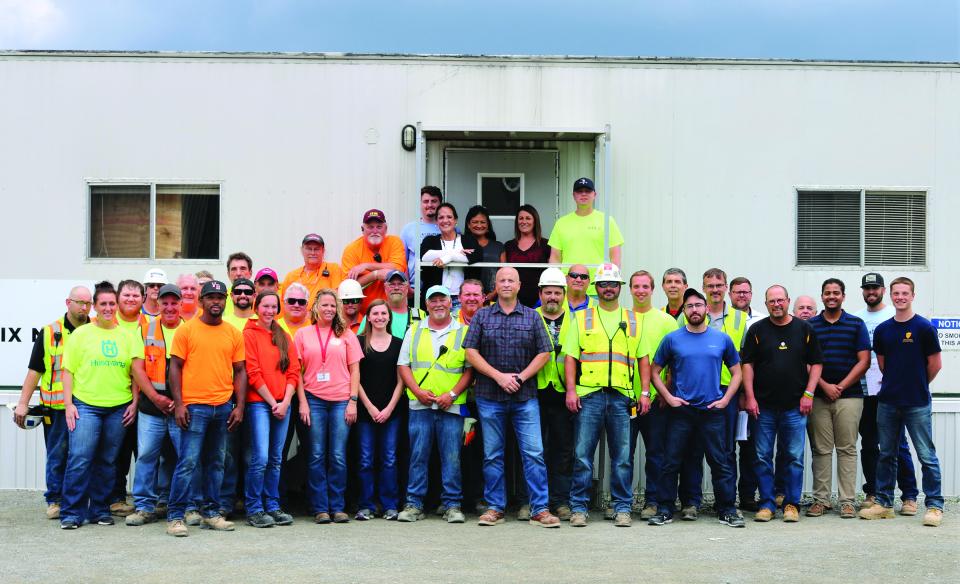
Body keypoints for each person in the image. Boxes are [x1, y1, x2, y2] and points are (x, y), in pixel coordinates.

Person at [464, 268, 559, 528]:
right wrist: (499, 376)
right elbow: (470, 352)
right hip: (489, 396)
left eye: (510, 280)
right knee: (493, 454)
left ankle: (539, 509)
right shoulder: (482, 316)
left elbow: (544, 353)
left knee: (534, 454)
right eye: (501, 280)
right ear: (495, 285)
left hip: (524, 396)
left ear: (519, 285)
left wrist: (520, 378)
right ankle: (495, 507)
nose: (506, 284)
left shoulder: (532, 317)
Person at [647, 288, 744, 528]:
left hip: (712, 412)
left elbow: (737, 372)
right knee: (671, 462)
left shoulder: (721, 339)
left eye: (698, 305)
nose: (694, 310)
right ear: (684, 311)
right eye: (689, 306)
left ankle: (727, 510)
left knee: (720, 463)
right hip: (681, 412)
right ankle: (665, 509)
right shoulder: (673, 339)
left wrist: (725, 399)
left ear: (706, 309)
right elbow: (654, 371)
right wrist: (668, 397)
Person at [58, 282, 151, 529]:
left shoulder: (128, 336)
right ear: (94, 307)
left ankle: (99, 509)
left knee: (108, 461)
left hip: (118, 407)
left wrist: (134, 402)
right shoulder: (81, 334)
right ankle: (71, 512)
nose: (108, 308)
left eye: (112, 303)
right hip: (86, 405)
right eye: (103, 304)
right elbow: (68, 372)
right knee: (80, 458)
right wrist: (68, 404)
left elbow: (135, 372)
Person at [562, 264, 643, 528]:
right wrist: (571, 391)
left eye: (613, 284)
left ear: (619, 288)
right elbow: (571, 358)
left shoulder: (632, 319)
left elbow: (643, 359)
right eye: (603, 284)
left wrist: (643, 393)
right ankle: (578, 508)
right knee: (582, 455)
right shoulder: (583, 317)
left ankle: (622, 508)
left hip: (621, 396)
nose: (608, 288)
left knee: (622, 457)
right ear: (596, 288)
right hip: (589, 396)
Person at [859, 277, 944, 527]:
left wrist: (916, 383)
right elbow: (883, 364)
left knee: (926, 455)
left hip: (917, 402)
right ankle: (884, 503)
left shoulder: (924, 328)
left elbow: (935, 365)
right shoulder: (885, 329)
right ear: (891, 295)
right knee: (887, 454)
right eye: (896, 293)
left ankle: (935, 506)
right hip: (888, 402)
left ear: (912, 296)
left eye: (905, 293)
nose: (900, 297)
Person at [165, 280, 246, 537]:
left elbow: (241, 371)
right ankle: (175, 516)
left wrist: (239, 406)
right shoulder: (187, 331)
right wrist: (179, 404)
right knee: (187, 462)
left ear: (226, 301)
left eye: (220, 297)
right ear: (201, 301)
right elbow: (174, 368)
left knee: (216, 463)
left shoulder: (233, 333)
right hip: (194, 407)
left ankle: (211, 512)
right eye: (210, 297)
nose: (216, 302)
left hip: (223, 407)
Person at [741, 285, 823, 523]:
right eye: (771, 301)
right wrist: (750, 396)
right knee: (762, 456)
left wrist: (809, 393)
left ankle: (791, 504)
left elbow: (816, 363)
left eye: (780, 300)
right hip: (763, 407)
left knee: (794, 457)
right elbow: (748, 365)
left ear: (788, 301)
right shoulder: (756, 330)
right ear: (765, 304)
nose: (776, 305)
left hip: (795, 408)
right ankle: (767, 504)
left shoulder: (804, 329)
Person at [14, 285, 92, 520]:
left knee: (85, 456)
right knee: (57, 455)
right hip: (56, 408)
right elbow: (34, 371)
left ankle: (81, 500)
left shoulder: (96, 329)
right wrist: (22, 403)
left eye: (88, 303)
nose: (84, 307)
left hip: (87, 406)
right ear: (68, 303)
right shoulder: (49, 332)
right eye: (80, 302)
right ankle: (55, 500)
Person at [397, 286, 473, 523]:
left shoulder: (464, 331)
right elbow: (403, 365)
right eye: (433, 300)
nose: (438, 304)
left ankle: (452, 505)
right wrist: (417, 391)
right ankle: (413, 504)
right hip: (420, 406)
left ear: (451, 303)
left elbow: (470, 371)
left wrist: (451, 394)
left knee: (452, 457)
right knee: (418, 456)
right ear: (427, 304)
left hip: (451, 407)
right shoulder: (414, 330)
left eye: (443, 299)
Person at [678, 268, 747, 519]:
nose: (715, 289)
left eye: (719, 285)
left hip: (726, 395)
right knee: (691, 451)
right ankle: (691, 503)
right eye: (710, 285)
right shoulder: (686, 316)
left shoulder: (740, 319)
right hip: (694, 395)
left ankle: (725, 504)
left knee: (725, 453)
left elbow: (745, 363)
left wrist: (741, 394)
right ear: (704, 288)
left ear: (726, 287)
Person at [294, 288, 363, 524]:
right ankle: (320, 507)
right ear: (315, 307)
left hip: (341, 400)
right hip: (313, 399)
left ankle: (338, 506)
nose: (329, 309)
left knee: (338, 455)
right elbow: (297, 373)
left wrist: (353, 401)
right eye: (324, 305)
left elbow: (355, 369)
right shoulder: (303, 334)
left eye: (333, 305)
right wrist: (302, 402)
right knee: (315, 454)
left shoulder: (346, 334)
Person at [854, 272, 918, 513]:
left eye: (876, 288)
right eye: (867, 289)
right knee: (869, 444)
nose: (871, 292)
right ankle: (873, 491)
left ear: (883, 291)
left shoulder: (895, 316)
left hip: (891, 391)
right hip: (864, 391)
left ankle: (909, 495)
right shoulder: (857, 319)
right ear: (863, 291)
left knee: (898, 445)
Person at [806, 278, 870, 518]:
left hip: (850, 397)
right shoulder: (810, 326)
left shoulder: (855, 324)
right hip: (819, 397)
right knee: (821, 449)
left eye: (836, 293)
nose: (831, 296)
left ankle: (847, 501)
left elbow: (864, 361)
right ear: (821, 296)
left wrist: (840, 387)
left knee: (847, 448)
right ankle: (821, 500)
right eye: (827, 293)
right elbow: (806, 362)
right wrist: (824, 386)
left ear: (843, 296)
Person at [126, 283, 185, 527]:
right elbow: (137, 369)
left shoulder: (191, 330)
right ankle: (144, 506)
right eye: (165, 302)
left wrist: (180, 402)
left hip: (182, 408)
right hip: (152, 407)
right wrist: (155, 397)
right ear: (157, 303)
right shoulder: (145, 330)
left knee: (184, 458)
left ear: (182, 304)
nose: (169, 307)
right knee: (147, 456)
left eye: (174, 302)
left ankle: (180, 505)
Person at [243, 291, 300, 528]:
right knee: (261, 458)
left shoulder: (284, 336)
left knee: (276, 459)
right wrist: (272, 402)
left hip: (282, 404)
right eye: (265, 306)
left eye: (273, 306)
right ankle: (254, 508)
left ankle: (272, 505)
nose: (269, 310)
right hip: (260, 404)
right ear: (257, 308)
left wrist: (286, 401)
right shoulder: (249, 334)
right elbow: (252, 372)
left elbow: (294, 371)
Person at [627, 270, 680, 520]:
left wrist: (666, 389)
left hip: (657, 399)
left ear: (652, 289)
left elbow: (674, 361)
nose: (640, 291)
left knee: (656, 453)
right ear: (630, 290)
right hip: (625, 398)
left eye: (645, 287)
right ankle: (622, 502)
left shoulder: (666, 321)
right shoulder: (622, 318)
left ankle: (653, 501)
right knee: (623, 454)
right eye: (636, 286)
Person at [355, 300, 404, 521]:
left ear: (389, 317)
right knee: (365, 459)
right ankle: (366, 504)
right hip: (366, 410)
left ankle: (390, 505)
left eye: (384, 313)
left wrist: (389, 407)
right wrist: (370, 406)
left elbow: (401, 380)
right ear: (368, 317)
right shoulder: (359, 342)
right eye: (375, 313)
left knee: (389, 459)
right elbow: (354, 378)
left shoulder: (398, 343)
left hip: (391, 410)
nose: (380, 317)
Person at [533, 268, 574, 519]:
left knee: (563, 450)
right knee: (533, 450)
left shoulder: (576, 320)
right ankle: (533, 500)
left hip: (563, 395)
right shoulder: (529, 317)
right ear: (540, 293)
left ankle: (560, 501)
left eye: (557, 293)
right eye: (548, 292)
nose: (552, 297)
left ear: (564, 294)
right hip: (533, 393)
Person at [548, 177, 624, 295]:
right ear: (573, 195)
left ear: (594, 194)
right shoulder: (561, 223)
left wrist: (609, 284)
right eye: (579, 191)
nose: (583, 194)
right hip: (568, 289)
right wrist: (556, 282)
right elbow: (555, 258)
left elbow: (615, 258)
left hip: (597, 288)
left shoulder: (607, 221)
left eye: (587, 191)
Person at [111, 279, 148, 517]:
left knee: (144, 452)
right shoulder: (104, 323)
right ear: (117, 297)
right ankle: (115, 498)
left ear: (143, 299)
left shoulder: (149, 326)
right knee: (117, 452)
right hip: (114, 397)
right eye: (126, 295)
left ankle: (147, 500)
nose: (131, 299)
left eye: (136, 296)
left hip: (145, 400)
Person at [341, 209, 407, 314]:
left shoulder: (395, 242)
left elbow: (397, 268)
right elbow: (347, 287)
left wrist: (366, 266)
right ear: (362, 229)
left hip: (392, 312)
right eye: (370, 227)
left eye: (379, 227)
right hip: (363, 314)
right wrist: (375, 275)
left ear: (386, 229)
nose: (375, 231)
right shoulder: (351, 250)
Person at [419, 202, 481, 308]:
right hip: (437, 298)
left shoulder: (468, 240)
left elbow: (476, 256)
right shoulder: (430, 240)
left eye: (449, 217)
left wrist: (449, 258)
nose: (445, 220)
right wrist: (456, 253)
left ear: (455, 220)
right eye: (441, 217)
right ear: (437, 221)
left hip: (462, 299)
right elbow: (425, 256)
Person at [501, 204, 550, 308]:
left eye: (528, 218)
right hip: (513, 300)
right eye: (521, 218)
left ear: (535, 221)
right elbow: (503, 273)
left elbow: (551, 273)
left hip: (539, 301)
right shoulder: (509, 245)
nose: (524, 221)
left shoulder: (546, 245)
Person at [400, 186, 442, 291]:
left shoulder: (450, 228)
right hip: (415, 289)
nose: (430, 205)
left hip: (442, 288)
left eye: (434, 201)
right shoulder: (408, 229)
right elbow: (402, 261)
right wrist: (407, 286)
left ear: (440, 203)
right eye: (426, 201)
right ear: (420, 203)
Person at [280, 233, 344, 303]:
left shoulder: (333, 269)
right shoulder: (291, 276)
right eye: (309, 249)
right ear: (301, 250)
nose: (313, 253)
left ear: (323, 251)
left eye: (316, 249)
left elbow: (336, 300)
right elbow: (284, 305)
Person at [357, 270, 420, 338]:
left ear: (407, 288)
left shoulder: (420, 315)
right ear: (385, 288)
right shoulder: (373, 315)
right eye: (392, 284)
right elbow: (360, 345)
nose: (396, 288)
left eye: (400, 284)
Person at [464, 205, 503, 302]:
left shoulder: (499, 246)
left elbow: (503, 274)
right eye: (475, 222)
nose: (479, 225)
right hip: (470, 299)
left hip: (495, 298)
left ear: (488, 225)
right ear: (468, 225)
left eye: (483, 222)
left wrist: (493, 294)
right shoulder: (461, 245)